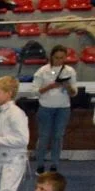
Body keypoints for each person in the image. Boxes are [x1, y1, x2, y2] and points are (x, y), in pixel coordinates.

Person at [32, 45, 77, 174]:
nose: (59, 60)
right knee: (44, 136)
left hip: (63, 108)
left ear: (65, 58)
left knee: (58, 136)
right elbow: (34, 91)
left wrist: (67, 86)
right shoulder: (42, 71)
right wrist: (50, 87)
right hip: (46, 108)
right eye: (56, 58)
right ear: (51, 57)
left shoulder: (70, 71)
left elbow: (74, 93)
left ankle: (54, 165)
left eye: (62, 58)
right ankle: (40, 165)